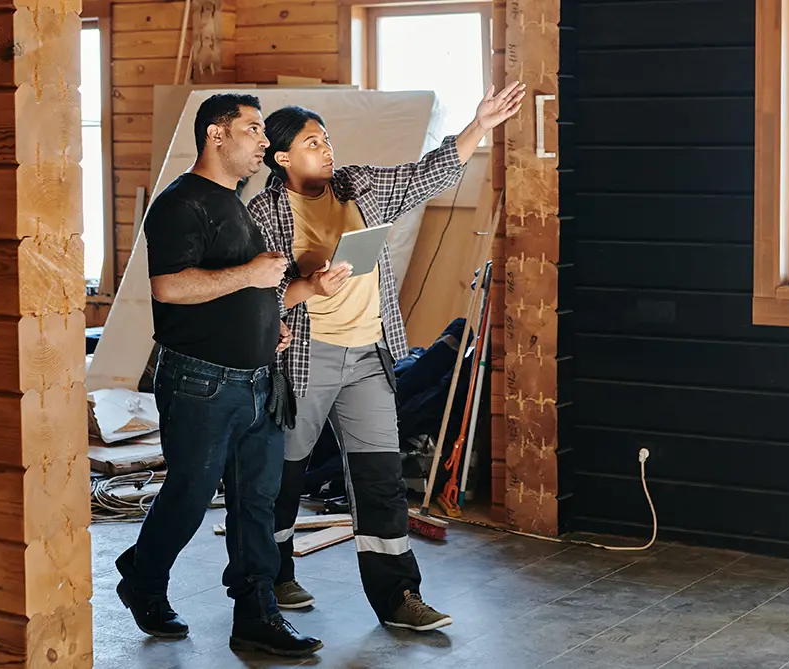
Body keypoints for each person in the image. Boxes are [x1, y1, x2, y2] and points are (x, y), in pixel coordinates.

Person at [247, 83, 527, 632]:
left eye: (326, 139)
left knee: (379, 478)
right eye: (310, 143)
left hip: (369, 356)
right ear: (281, 158)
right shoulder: (264, 212)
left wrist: (479, 126)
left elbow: (429, 173)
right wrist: (309, 284)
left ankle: (398, 596)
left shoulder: (361, 184)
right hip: (306, 358)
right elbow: (255, 295)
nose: (326, 149)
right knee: (284, 474)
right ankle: (272, 574)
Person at [112, 93, 321, 658]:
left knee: (257, 501)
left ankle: (256, 615)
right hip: (201, 382)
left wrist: (268, 326)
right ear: (216, 135)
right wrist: (253, 274)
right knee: (189, 495)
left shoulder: (235, 202)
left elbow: (239, 291)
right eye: (253, 129)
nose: (263, 140)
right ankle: (143, 578)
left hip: (257, 379)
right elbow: (171, 287)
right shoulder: (181, 204)